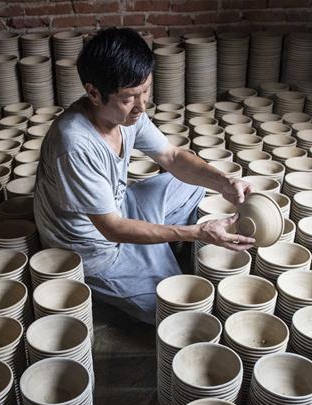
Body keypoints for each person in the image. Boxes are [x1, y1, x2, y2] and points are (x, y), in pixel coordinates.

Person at [33, 27, 256, 325]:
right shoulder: (75, 145)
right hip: (93, 246)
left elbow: (172, 157)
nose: (141, 105)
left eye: (146, 90)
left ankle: (158, 248)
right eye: (129, 98)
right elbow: (111, 229)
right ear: (94, 92)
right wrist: (196, 234)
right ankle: (132, 271)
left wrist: (224, 182)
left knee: (192, 183)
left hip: (119, 206)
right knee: (179, 311)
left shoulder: (128, 113)